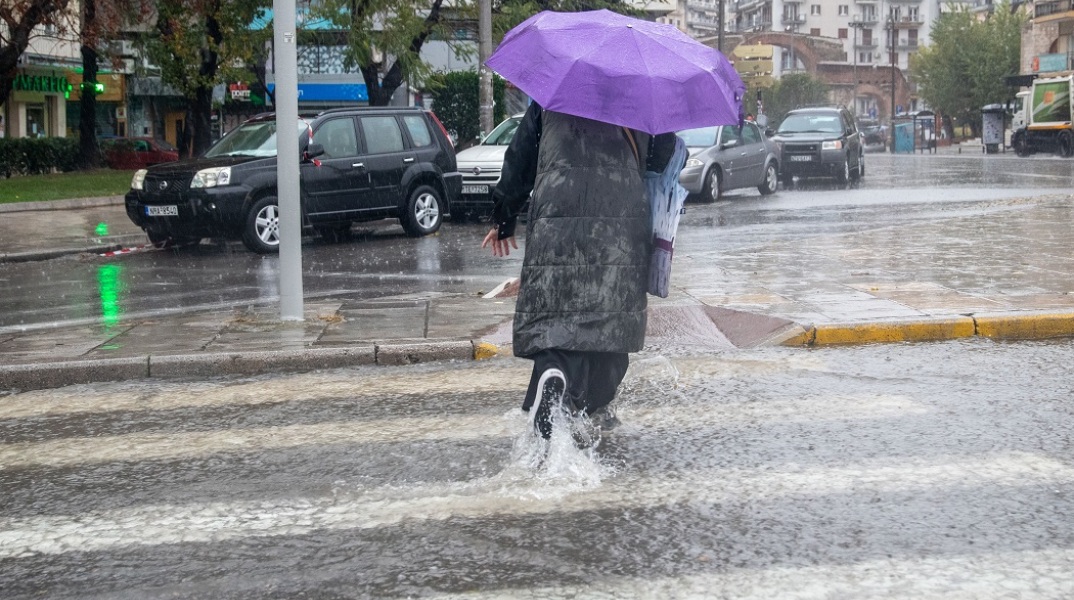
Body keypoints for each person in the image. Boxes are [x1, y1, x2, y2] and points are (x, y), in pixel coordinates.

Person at [481, 101, 676, 440]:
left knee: (557, 314)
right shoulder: (640, 99)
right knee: (610, 323)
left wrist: (504, 216)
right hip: (619, 224)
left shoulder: (552, 98)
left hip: (557, 215)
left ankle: (554, 372)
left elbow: (521, 155)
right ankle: (589, 404)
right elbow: (662, 160)